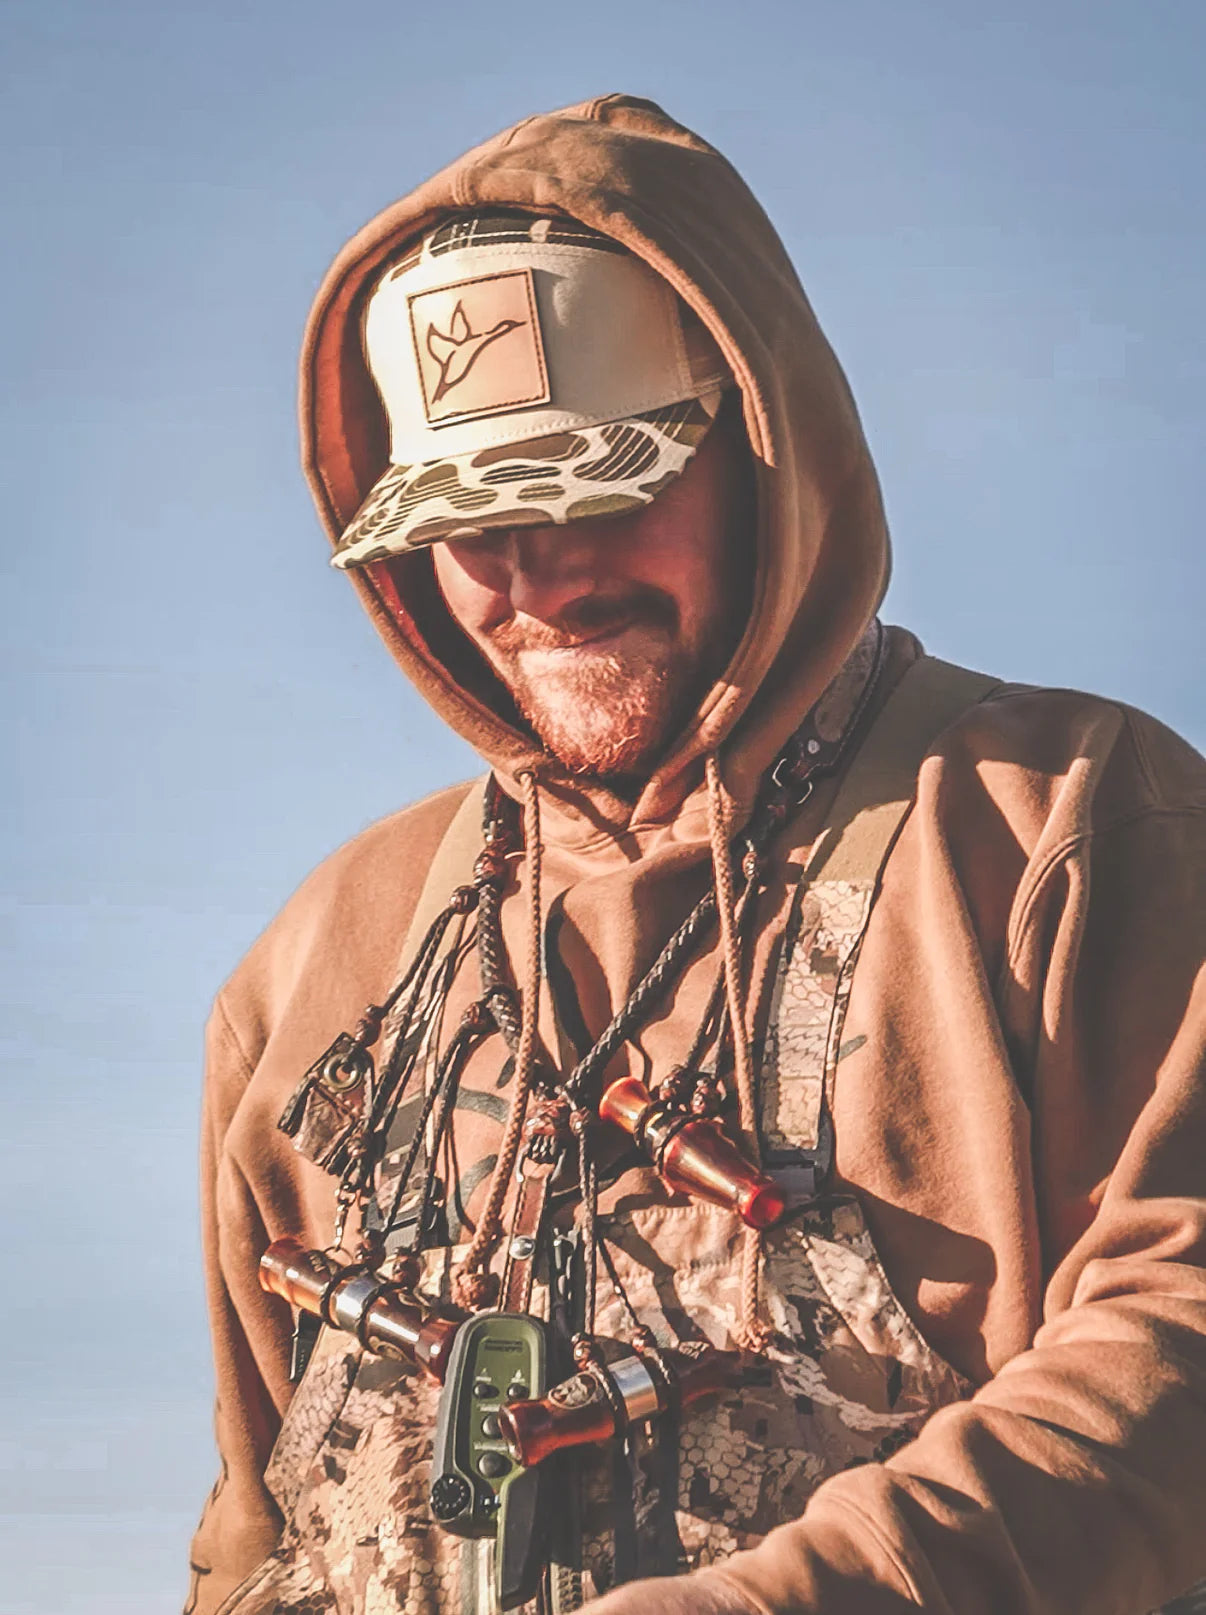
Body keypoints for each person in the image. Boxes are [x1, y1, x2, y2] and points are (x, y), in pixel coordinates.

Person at [186, 94, 1206, 1615]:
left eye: (596, 482)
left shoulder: (1065, 822)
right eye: (469, 517)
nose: (538, 573)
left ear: (764, 445)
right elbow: (249, 1510)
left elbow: (1173, 1351)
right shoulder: (315, 962)